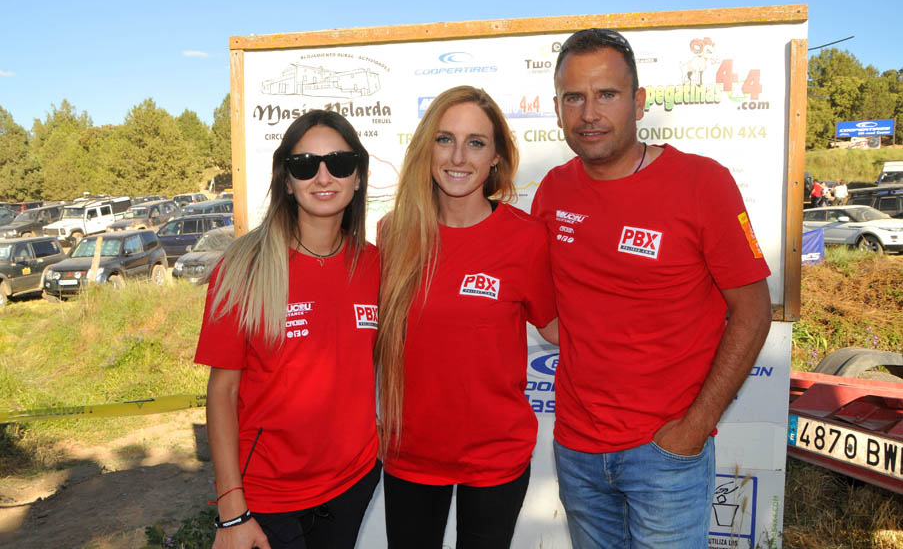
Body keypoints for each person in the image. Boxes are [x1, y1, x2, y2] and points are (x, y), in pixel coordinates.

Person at [530, 28, 773, 548]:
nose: (589, 113)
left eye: (607, 94)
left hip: (666, 454)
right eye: (574, 97)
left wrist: (695, 427)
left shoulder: (703, 183)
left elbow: (753, 312)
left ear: (638, 103)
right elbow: (551, 313)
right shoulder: (552, 191)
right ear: (556, 109)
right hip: (577, 451)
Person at [375, 85, 558, 549]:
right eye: (445, 139)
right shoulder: (393, 234)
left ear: (496, 157)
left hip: (496, 459)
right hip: (409, 456)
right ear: (426, 148)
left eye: (476, 142)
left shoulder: (527, 237)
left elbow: (557, 329)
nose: (458, 156)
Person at [195, 110, 380, 549]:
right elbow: (222, 392)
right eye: (305, 165)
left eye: (340, 163)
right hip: (269, 500)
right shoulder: (243, 266)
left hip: (354, 486)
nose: (323, 177)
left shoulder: (375, 264)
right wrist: (231, 508)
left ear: (357, 177)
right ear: (287, 180)